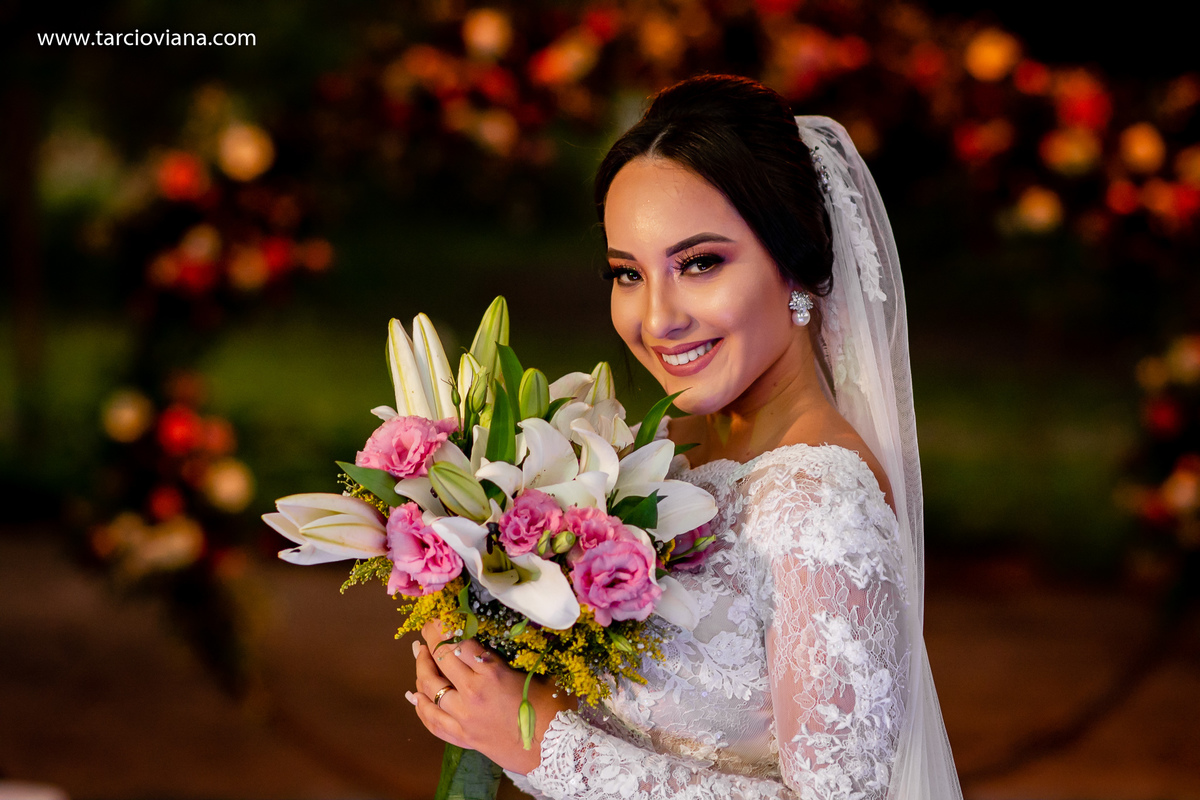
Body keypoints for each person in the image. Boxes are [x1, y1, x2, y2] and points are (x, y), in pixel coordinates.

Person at [405, 74, 963, 800]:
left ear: (794, 261)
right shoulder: (646, 455)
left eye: (700, 264)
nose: (659, 318)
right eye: (627, 273)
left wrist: (541, 743)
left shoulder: (821, 507)